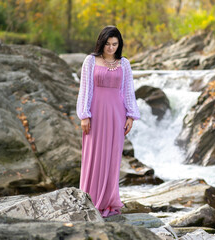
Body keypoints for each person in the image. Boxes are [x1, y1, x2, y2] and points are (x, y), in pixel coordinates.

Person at [76, 26, 140, 218]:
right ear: (101, 43)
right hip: (95, 113)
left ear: (119, 45)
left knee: (112, 157)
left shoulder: (124, 64)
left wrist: (130, 116)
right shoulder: (90, 61)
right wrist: (84, 115)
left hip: (116, 114)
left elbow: (128, 91)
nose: (111, 48)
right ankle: (90, 199)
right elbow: (85, 89)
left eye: (114, 44)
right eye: (107, 44)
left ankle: (109, 202)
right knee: (94, 155)